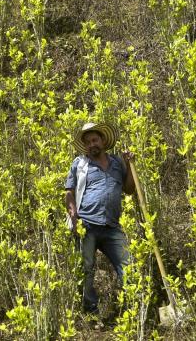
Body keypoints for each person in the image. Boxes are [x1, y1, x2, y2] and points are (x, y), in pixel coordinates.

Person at [64, 122, 135, 315]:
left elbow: (129, 190)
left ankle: (133, 309)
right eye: (87, 142)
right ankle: (91, 312)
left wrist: (128, 165)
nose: (91, 144)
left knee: (129, 266)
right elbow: (69, 192)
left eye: (94, 140)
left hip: (112, 226)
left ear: (103, 141)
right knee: (86, 269)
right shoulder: (80, 164)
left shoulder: (117, 163)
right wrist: (73, 214)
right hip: (86, 224)